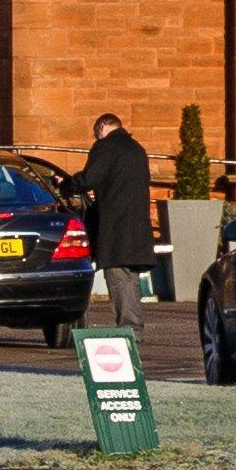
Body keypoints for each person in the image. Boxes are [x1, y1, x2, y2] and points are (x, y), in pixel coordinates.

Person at [78, 108, 161, 315]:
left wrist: (66, 185)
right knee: (129, 279)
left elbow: (90, 178)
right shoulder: (137, 149)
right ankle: (133, 328)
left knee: (118, 278)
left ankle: (130, 329)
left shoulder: (106, 146)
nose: (95, 137)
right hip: (138, 226)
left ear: (102, 127)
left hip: (116, 226)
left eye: (96, 133)